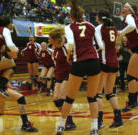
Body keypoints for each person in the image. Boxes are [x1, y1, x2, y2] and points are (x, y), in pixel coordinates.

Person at [55, 0, 101, 134]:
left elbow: (70, 44)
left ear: (71, 17)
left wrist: (69, 56)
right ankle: (94, 128)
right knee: (92, 97)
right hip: (94, 62)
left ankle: (61, 126)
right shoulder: (92, 26)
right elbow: (101, 46)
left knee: (69, 98)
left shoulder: (69, 27)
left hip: (79, 62)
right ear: (83, 16)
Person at [118, 3, 138, 112]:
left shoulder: (129, 17)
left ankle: (132, 102)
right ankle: (134, 102)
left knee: (131, 76)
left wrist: (121, 33)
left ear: (130, 10)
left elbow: (131, 27)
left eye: (125, 7)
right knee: (134, 77)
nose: (123, 8)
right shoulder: (131, 18)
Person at [95, 9, 123, 129]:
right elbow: (115, 45)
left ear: (100, 18)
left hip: (104, 62)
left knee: (97, 93)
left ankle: (100, 121)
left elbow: (101, 46)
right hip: (114, 62)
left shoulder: (99, 28)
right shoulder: (114, 28)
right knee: (110, 92)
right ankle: (118, 118)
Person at [49, 26, 76, 131]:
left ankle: (68, 122)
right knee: (56, 100)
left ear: (55, 39)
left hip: (67, 75)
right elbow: (56, 65)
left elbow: (71, 62)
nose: (48, 40)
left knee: (61, 98)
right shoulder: (54, 50)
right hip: (58, 76)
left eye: (50, 38)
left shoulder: (65, 48)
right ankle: (68, 120)